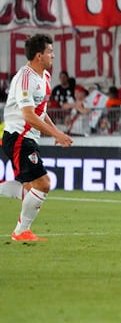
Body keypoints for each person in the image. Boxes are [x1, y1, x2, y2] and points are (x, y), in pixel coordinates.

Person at [1, 34, 73, 242]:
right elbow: (29, 115)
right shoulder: (25, 77)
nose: (53, 55)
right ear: (39, 55)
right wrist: (56, 134)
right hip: (18, 137)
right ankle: (21, 231)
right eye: (50, 51)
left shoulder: (46, 78)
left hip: (28, 137)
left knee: (30, 189)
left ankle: (22, 231)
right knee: (43, 184)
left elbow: (40, 112)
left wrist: (55, 132)